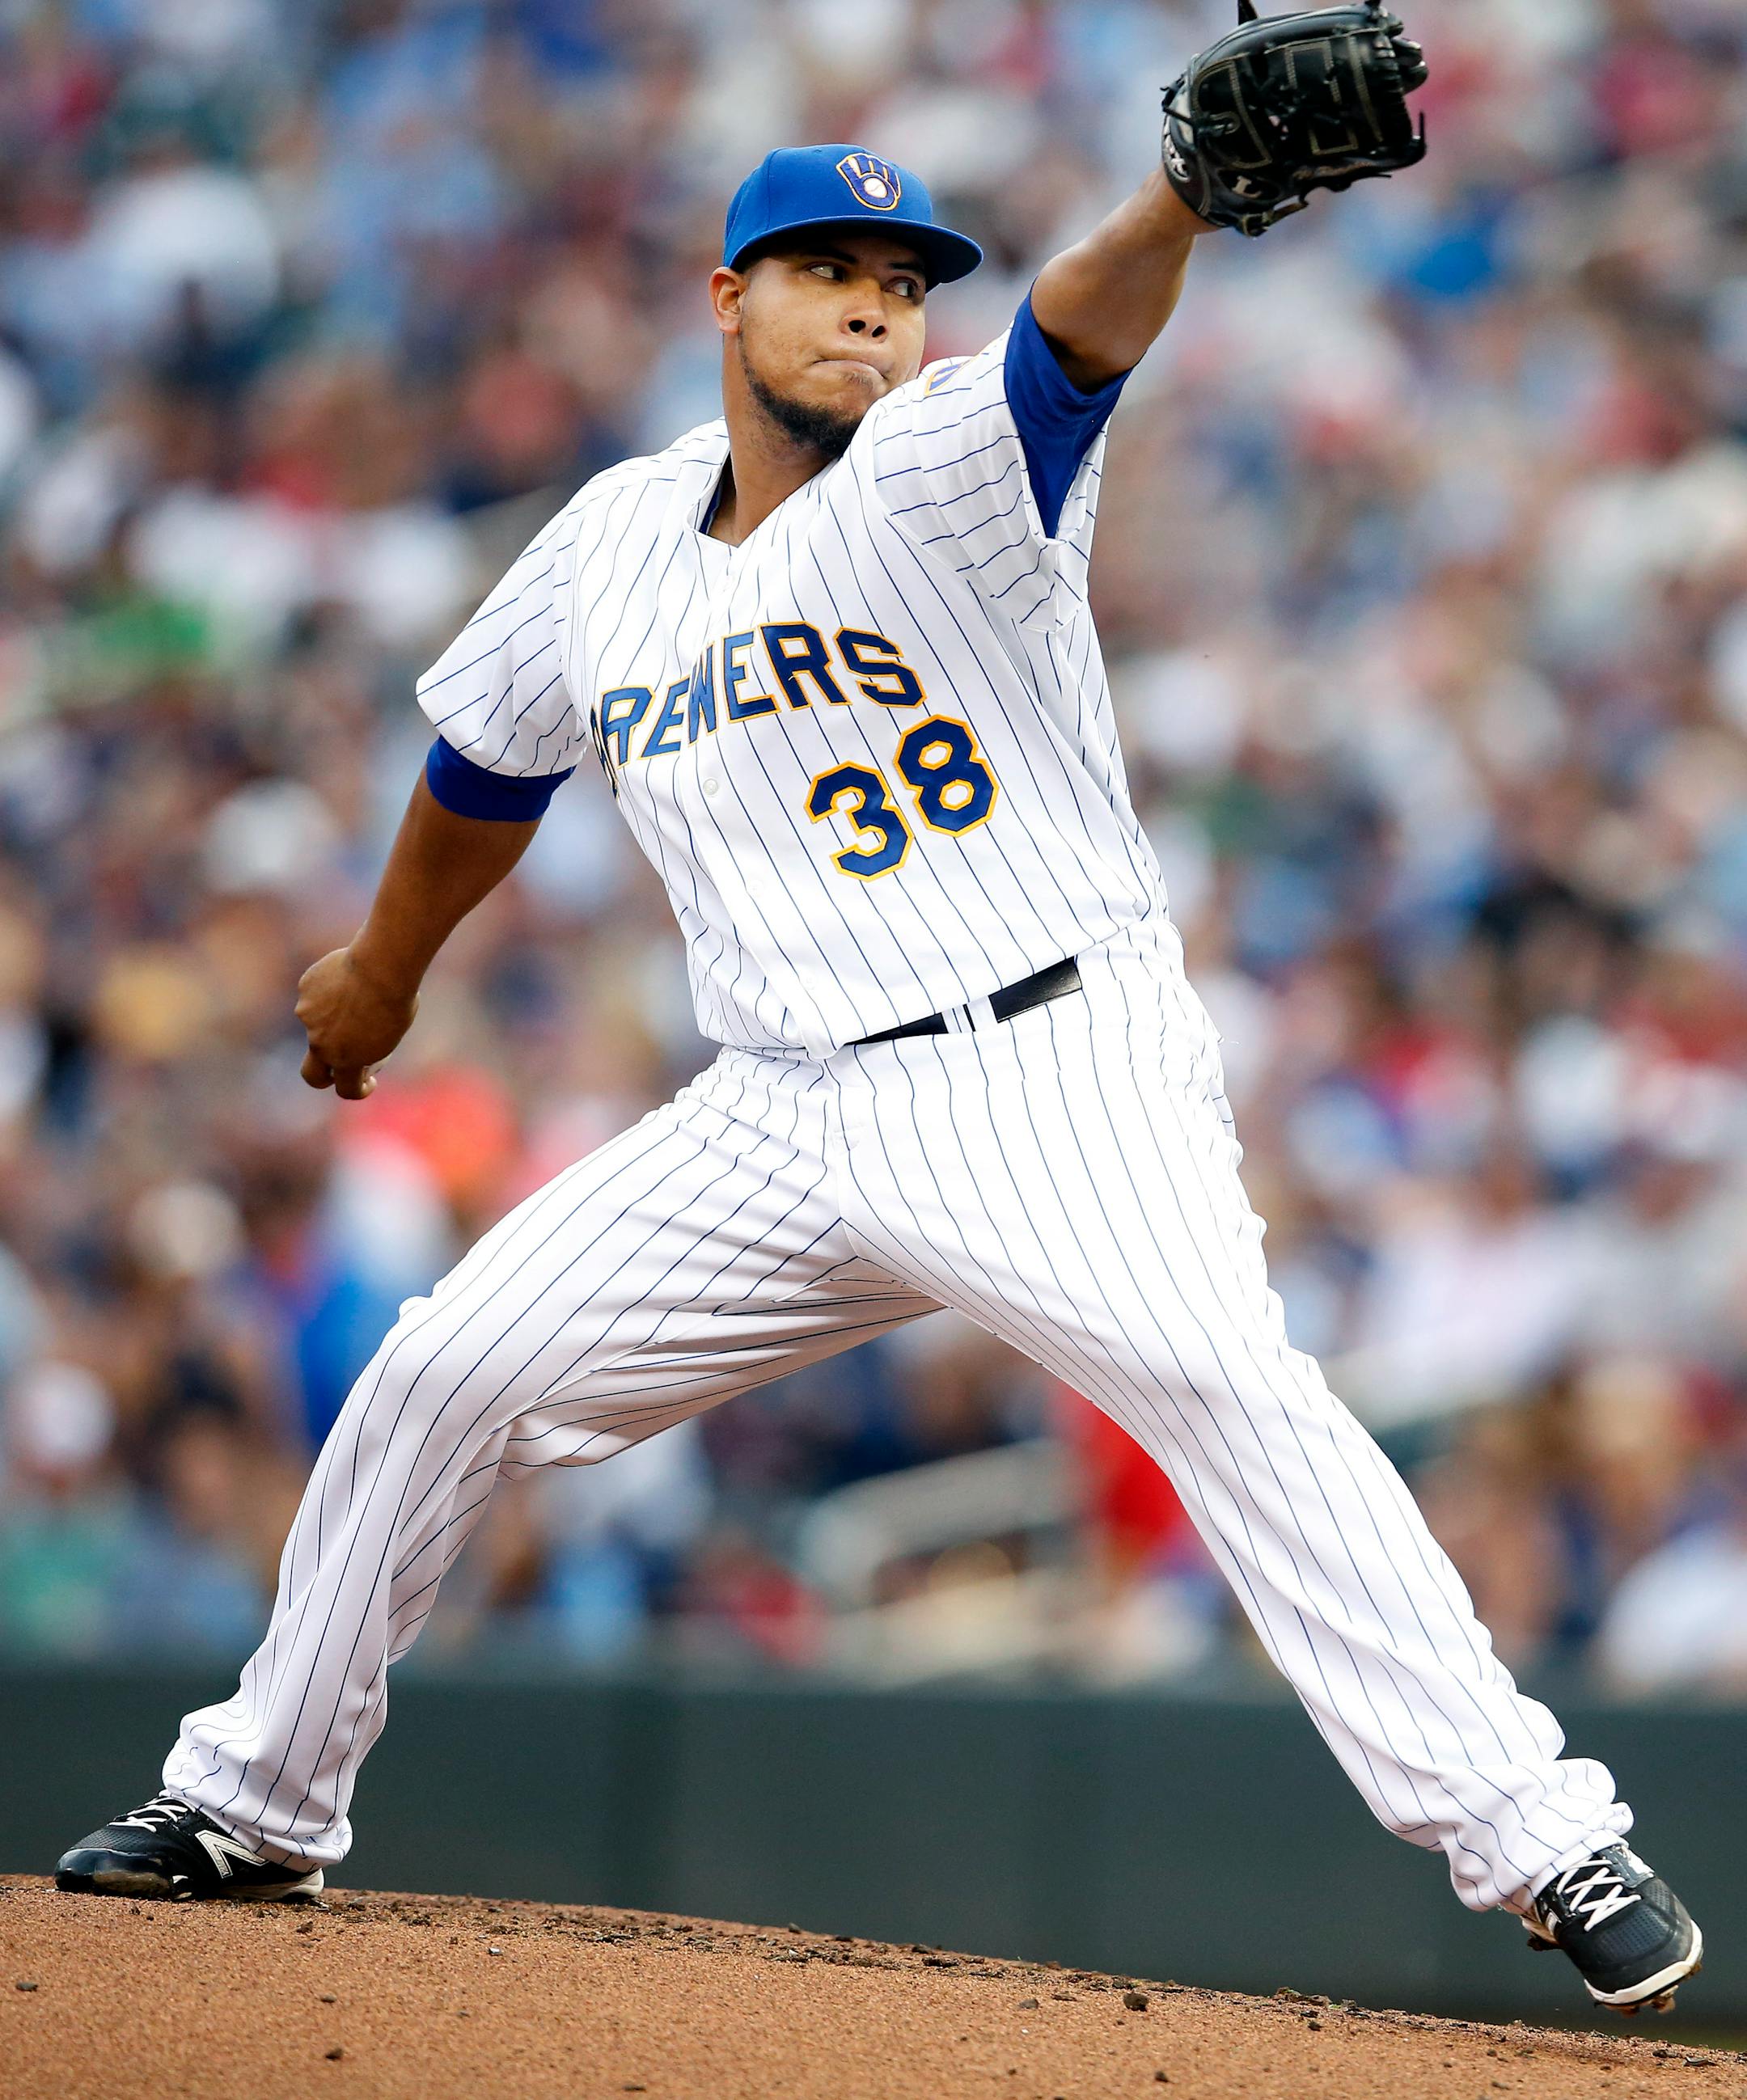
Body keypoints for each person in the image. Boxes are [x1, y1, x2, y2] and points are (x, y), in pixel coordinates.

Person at [56, 16, 1703, 2018]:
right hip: (771, 1109)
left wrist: (1183, 190)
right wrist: (386, 971)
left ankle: (1545, 1839)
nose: (875, 313)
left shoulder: (950, 462)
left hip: (1042, 1059)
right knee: (438, 1376)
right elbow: (483, 773)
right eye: (833, 275)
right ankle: (256, 1801)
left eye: (905, 284)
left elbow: (1084, 324)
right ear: (729, 294)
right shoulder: (604, 546)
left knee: (1225, 1387)